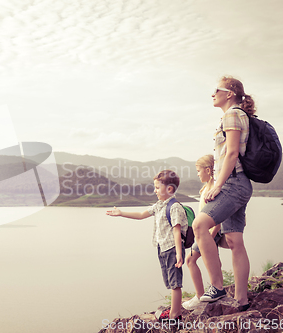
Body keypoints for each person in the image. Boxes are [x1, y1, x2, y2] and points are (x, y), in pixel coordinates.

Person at [192, 76, 254, 311]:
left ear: (229, 94)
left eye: (216, 90)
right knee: (234, 241)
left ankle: (217, 286)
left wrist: (218, 184)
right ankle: (241, 300)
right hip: (239, 183)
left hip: (233, 184)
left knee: (199, 225)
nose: (212, 94)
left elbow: (231, 153)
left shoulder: (232, 114)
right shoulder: (237, 114)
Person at [106, 170, 188, 322]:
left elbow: (177, 231)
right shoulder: (159, 205)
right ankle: (173, 310)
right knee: (170, 282)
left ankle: (175, 315)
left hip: (172, 249)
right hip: (162, 248)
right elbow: (142, 215)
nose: (155, 190)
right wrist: (121, 213)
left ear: (169, 189)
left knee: (175, 283)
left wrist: (178, 254)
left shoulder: (174, 207)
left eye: (157, 187)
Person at [182, 154, 228, 310]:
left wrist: (212, 234)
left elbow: (219, 214)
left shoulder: (215, 187)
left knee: (190, 260)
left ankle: (199, 296)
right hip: (205, 232)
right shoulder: (207, 187)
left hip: (208, 233)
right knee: (215, 262)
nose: (197, 174)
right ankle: (217, 291)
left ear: (208, 170)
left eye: (198, 170)